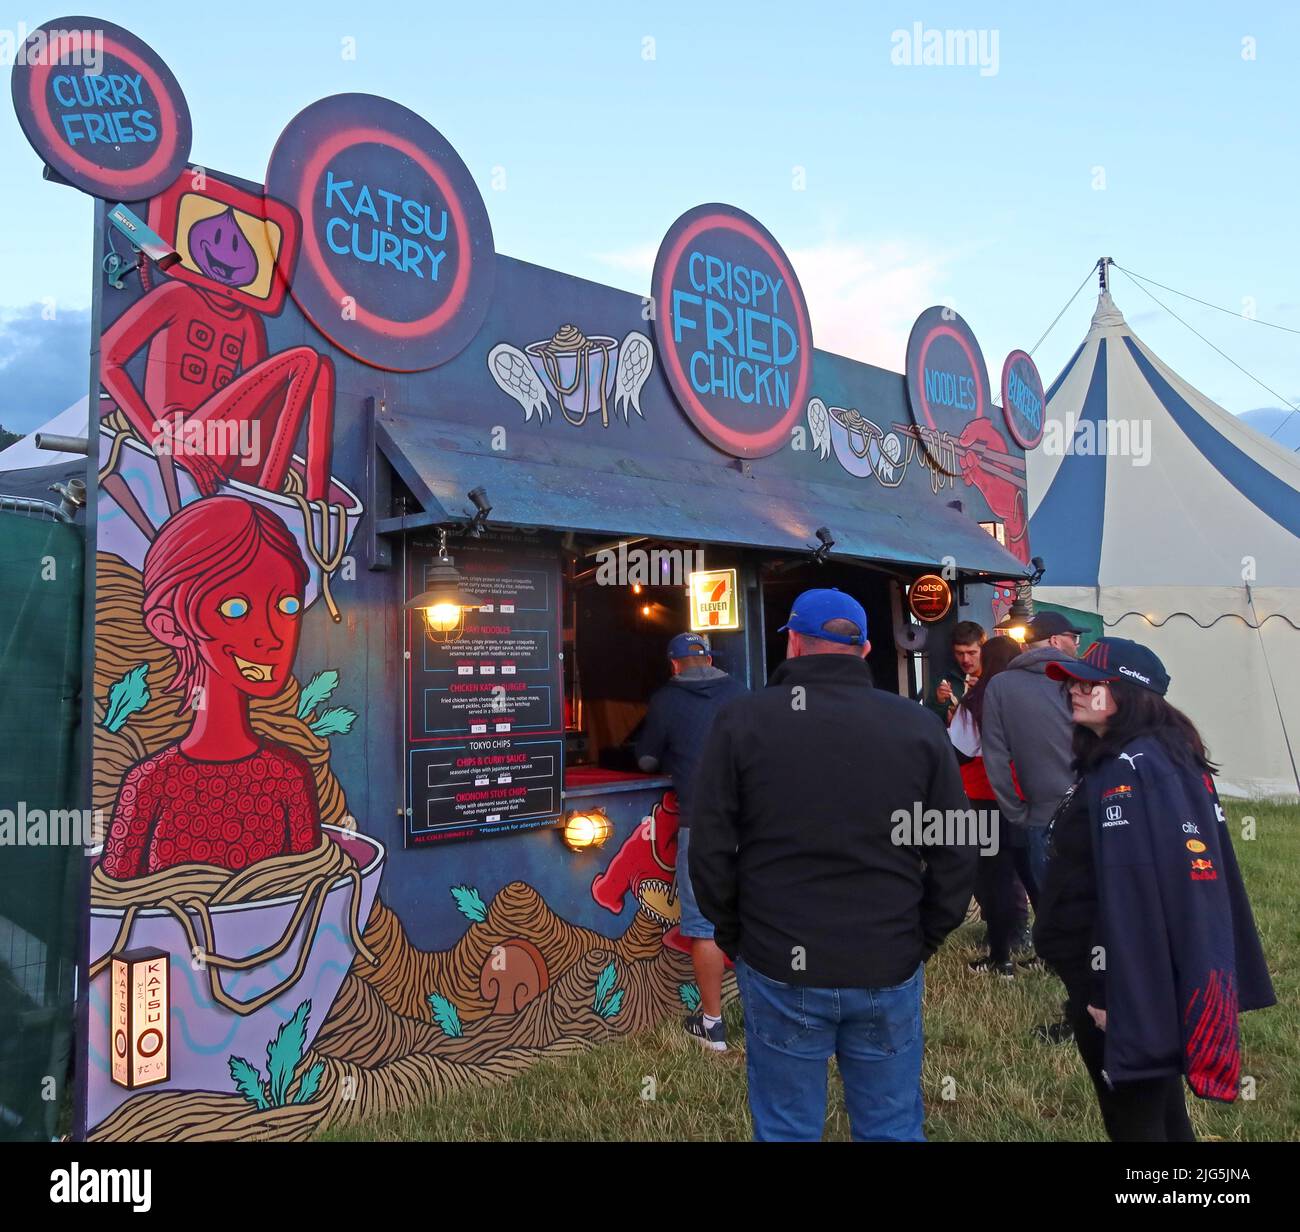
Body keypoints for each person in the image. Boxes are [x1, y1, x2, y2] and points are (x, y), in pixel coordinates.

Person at [689, 589, 976, 1140]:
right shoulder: (915, 725)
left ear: (793, 642)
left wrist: (737, 936)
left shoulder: (742, 720)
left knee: (788, 1129)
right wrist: (924, 937)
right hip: (885, 957)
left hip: (779, 958)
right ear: (866, 648)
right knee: (890, 1125)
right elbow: (957, 848)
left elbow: (710, 849)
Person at [1035, 638, 1275, 1141]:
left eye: (1089, 683)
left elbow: (1131, 892)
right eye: (1071, 682)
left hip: (1122, 981)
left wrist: (1106, 989)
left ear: (1130, 693)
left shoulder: (1132, 769)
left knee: (1134, 1119)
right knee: (1156, 1108)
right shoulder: (1133, 759)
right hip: (1128, 975)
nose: (1073, 691)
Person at [636, 631, 747, 1051]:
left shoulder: (666, 699)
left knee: (705, 927)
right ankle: (764, 1019)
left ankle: (713, 1027)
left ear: (673, 664)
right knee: (755, 916)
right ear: (710, 659)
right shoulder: (740, 693)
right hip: (751, 822)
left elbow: (646, 759)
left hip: (701, 825)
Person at [980, 610, 1085, 905]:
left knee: (1052, 909)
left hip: (1037, 816)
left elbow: (995, 757)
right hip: (1090, 813)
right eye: (1073, 637)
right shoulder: (1082, 679)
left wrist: (1015, 813)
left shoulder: (1000, 686)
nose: (1077, 644)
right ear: (1055, 640)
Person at [949, 635, 1026, 977]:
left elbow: (958, 752)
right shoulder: (1026, 699)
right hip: (1023, 796)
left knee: (994, 878)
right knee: (1033, 877)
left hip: (982, 798)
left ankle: (1001, 957)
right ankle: (1050, 949)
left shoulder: (975, 701)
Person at [924, 620, 985, 725]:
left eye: (971, 653)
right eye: (959, 653)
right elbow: (927, 722)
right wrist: (939, 702)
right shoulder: (943, 680)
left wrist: (983, 692)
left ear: (983, 650)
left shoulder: (993, 679)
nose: (965, 659)